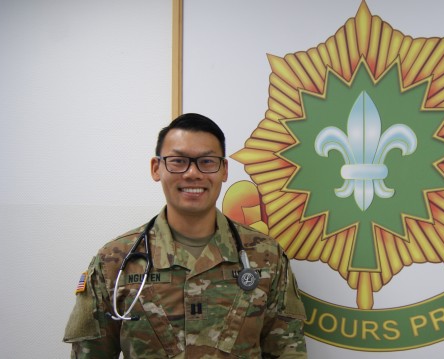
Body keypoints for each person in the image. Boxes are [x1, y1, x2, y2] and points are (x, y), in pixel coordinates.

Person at [63, 113, 308, 358]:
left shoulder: (266, 257)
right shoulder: (114, 262)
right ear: (156, 168)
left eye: (207, 161)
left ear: (224, 170)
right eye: (178, 161)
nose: (192, 173)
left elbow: (287, 351)